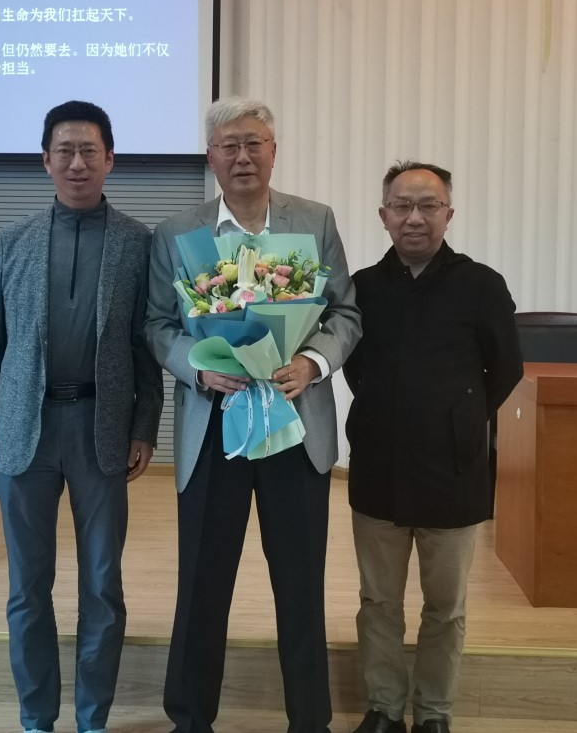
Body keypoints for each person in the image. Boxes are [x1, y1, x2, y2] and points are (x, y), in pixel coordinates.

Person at [146, 97, 362, 733]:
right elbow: (156, 325)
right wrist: (197, 367)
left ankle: (309, 720)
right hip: (214, 422)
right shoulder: (177, 233)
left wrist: (313, 364)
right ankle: (190, 718)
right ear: (211, 157)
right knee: (203, 582)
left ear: (273, 151)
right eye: (229, 146)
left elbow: (345, 313)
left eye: (253, 143)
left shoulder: (314, 220)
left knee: (300, 583)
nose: (242, 156)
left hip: (295, 425)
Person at [0, 100, 163, 733]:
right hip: (23, 431)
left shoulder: (138, 242)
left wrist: (144, 427)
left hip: (102, 430)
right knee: (28, 586)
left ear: (110, 159)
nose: (77, 163)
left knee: (102, 584)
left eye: (89, 151)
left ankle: (93, 719)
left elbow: (147, 344)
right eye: (65, 151)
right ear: (45, 160)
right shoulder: (13, 240)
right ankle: (36, 718)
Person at [343, 161, 523, 733]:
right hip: (378, 467)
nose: (414, 218)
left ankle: (434, 713)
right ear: (383, 215)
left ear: (449, 214)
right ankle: (384, 708)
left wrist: (459, 417)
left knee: (445, 606)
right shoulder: (362, 288)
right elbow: (353, 366)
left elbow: (507, 368)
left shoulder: (481, 285)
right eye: (402, 206)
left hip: (454, 471)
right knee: (378, 602)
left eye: (428, 206)